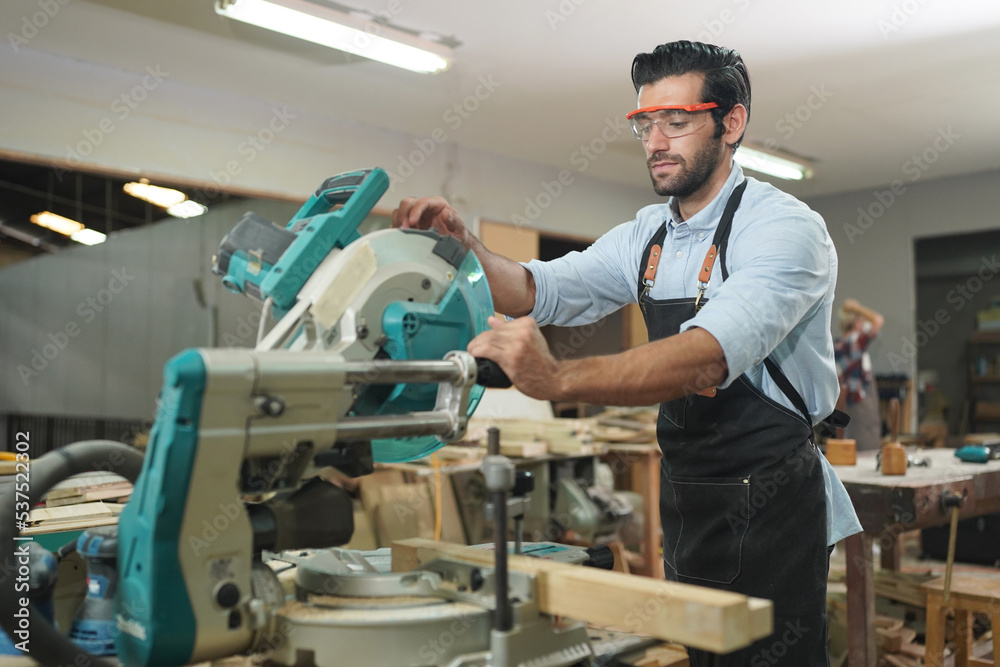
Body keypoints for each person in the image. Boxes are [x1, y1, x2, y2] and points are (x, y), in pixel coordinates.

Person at [393, 40, 861, 666]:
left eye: (677, 121)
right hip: (690, 489)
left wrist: (556, 378)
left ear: (732, 122)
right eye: (645, 124)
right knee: (701, 650)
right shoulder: (648, 233)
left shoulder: (783, 229)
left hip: (773, 498)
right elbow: (540, 290)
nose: (657, 142)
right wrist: (465, 247)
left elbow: (707, 357)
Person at [834, 298, 885, 451]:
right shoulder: (853, 342)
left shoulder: (840, 345)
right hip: (860, 405)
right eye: (862, 322)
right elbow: (877, 320)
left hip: (852, 404)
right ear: (857, 323)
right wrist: (858, 308)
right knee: (866, 448)